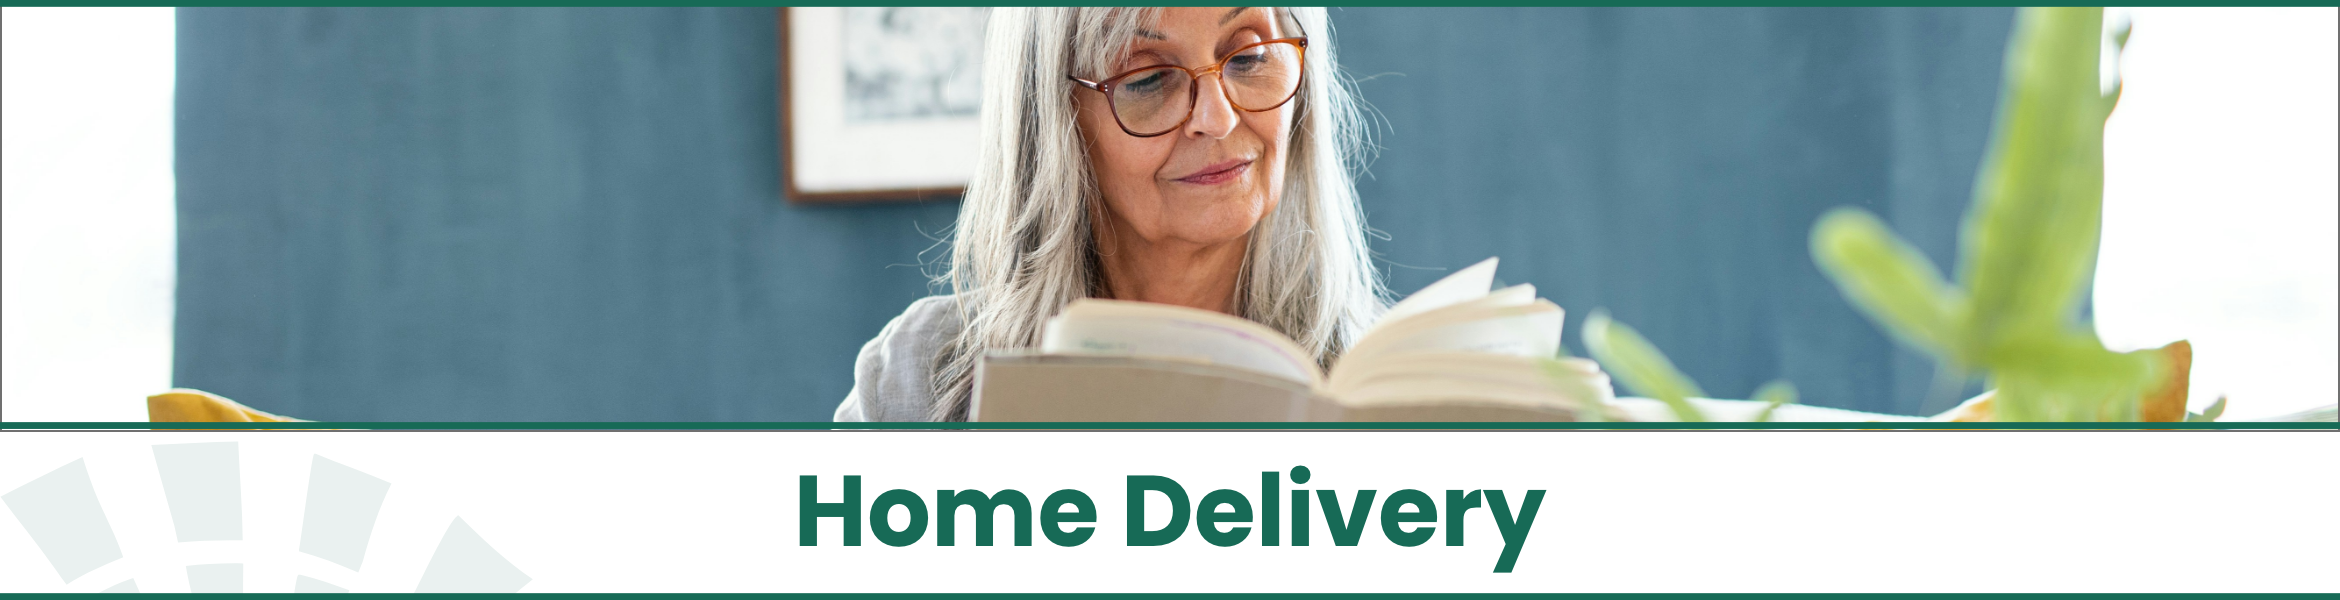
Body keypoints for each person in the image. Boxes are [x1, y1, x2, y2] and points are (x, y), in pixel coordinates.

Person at [835, 7, 1385, 422]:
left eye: (1248, 57)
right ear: (1056, 123)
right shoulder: (918, 379)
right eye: (1147, 79)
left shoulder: (1390, 384)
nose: (1217, 118)